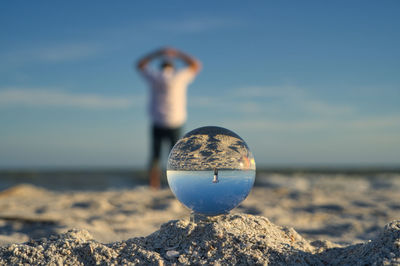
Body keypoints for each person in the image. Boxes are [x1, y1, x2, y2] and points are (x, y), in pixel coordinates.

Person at [136, 47, 202, 189]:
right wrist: (177, 53)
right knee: (177, 157)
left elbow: (140, 65)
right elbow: (196, 65)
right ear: (172, 67)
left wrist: (157, 53)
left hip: (158, 121)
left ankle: (154, 186)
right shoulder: (179, 76)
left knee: (155, 157)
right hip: (176, 121)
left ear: (161, 67)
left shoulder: (155, 77)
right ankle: (178, 186)